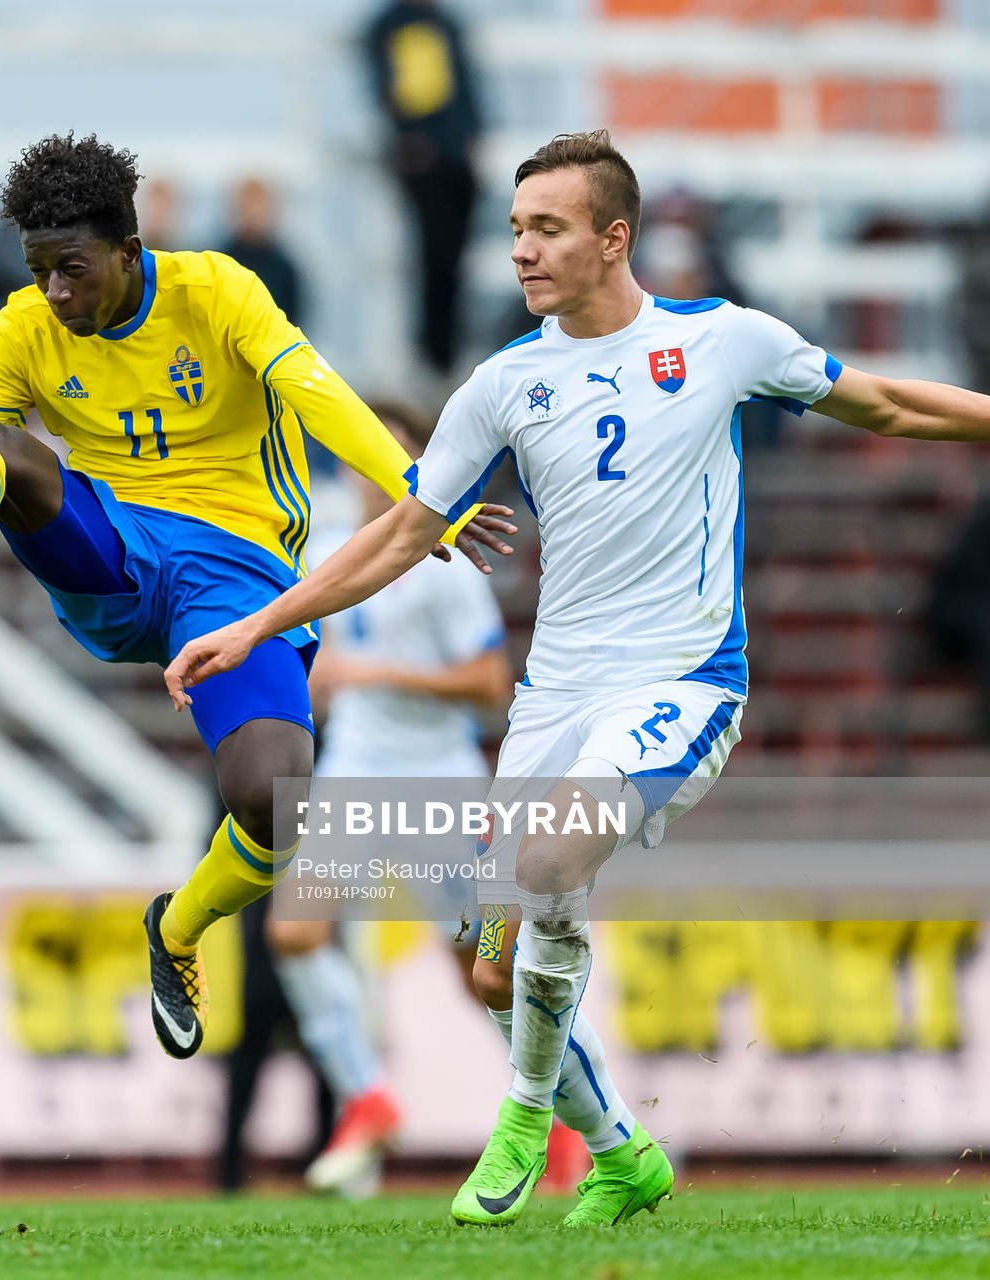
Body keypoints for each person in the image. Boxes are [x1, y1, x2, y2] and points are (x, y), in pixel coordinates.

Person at [164, 129, 990, 1227]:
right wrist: (261, 625)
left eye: (546, 228)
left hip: (681, 682)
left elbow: (882, 404)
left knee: (550, 854)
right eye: (513, 230)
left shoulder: (724, 341)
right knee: (493, 970)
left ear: (614, 237)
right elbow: (403, 530)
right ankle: (621, 1149)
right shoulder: (504, 383)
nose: (521, 251)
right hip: (553, 701)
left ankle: (519, 1116)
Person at [0, 132, 515, 1064]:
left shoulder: (219, 292)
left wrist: (422, 493)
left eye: (72, 270)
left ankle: (175, 930)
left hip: (239, 579)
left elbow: (319, 395)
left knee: (275, 799)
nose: (54, 293)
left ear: (130, 251)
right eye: (39, 270)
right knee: (5, 457)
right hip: (116, 558)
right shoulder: (23, 326)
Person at [269, 405, 511, 1198]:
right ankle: (367, 1097)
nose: (371, 473)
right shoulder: (327, 546)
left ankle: (569, 1119)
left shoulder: (444, 560)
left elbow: (489, 687)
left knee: (481, 972)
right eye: (358, 457)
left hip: (438, 778)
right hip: (356, 768)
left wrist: (377, 677)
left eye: (390, 458)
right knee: (296, 933)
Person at [363, 0, 482, 379]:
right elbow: (399, 91)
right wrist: (412, 140)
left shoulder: (442, 23)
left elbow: (462, 88)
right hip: (428, 160)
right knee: (435, 257)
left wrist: (468, 138)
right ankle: (436, 355)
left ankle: (442, 353)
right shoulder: (396, 25)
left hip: (453, 159)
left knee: (451, 259)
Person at [219, 178, 305, 329]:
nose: (253, 213)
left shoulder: (284, 269)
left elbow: (294, 322)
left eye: (259, 205)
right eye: (247, 206)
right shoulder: (218, 262)